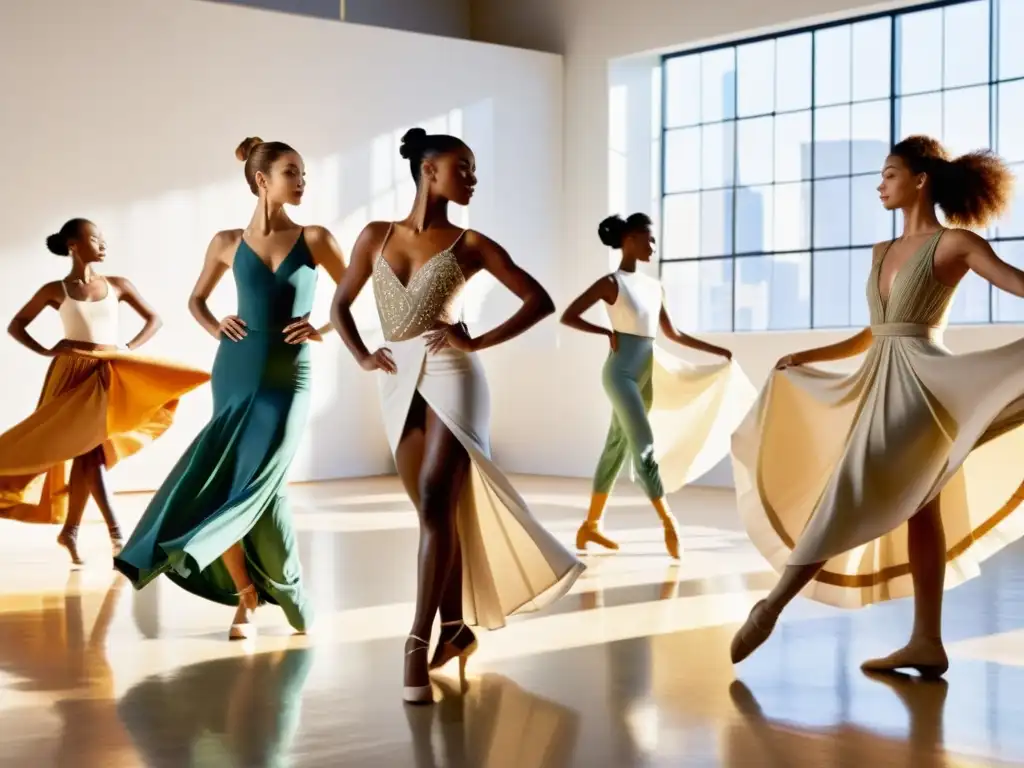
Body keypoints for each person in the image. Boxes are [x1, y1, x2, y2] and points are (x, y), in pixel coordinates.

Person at [730, 135, 1024, 676]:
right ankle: (926, 642)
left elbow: (1015, 283)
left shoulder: (957, 244)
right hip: (875, 378)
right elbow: (876, 331)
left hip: (921, 385)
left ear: (920, 180)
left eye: (889, 174)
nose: (880, 184)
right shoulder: (880, 252)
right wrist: (809, 355)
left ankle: (773, 604)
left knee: (851, 486)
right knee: (920, 509)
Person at [331, 127, 584, 704]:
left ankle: (416, 642)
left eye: (473, 169)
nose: (472, 178)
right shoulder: (374, 235)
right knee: (432, 512)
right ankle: (457, 627)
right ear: (428, 171)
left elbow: (539, 300)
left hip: (453, 378)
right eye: (462, 167)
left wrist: (476, 343)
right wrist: (364, 356)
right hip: (396, 381)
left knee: (438, 500)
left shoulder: (470, 244)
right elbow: (340, 304)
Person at [115, 137, 345, 640]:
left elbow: (357, 294)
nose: (302, 181)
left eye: (303, 173)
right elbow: (196, 300)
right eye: (292, 172)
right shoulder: (225, 241)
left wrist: (322, 329)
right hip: (236, 369)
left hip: (290, 372)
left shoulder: (317, 237)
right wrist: (216, 324)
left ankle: (286, 588)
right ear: (262, 180)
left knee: (265, 480)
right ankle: (247, 596)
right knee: (232, 482)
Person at [0, 218, 209, 564]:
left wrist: (126, 346)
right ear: (73, 245)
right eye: (94, 239)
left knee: (90, 452)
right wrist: (46, 350)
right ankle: (110, 534)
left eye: (102, 239)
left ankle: (76, 532)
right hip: (70, 374)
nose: (102, 244)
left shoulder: (118, 284)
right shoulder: (55, 289)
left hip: (106, 371)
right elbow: (16, 325)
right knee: (86, 452)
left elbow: (153, 319)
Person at [561, 213, 751, 558]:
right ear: (630, 239)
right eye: (648, 239)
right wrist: (605, 332)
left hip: (645, 373)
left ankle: (590, 527)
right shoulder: (611, 282)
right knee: (644, 446)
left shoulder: (653, 287)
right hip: (619, 374)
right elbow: (569, 315)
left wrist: (716, 351)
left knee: (615, 448)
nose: (652, 246)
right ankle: (668, 521)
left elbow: (672, 333)